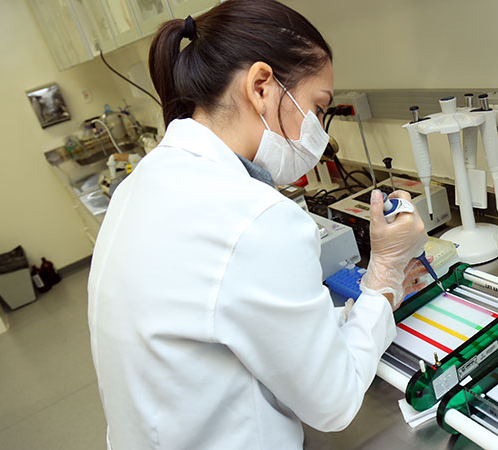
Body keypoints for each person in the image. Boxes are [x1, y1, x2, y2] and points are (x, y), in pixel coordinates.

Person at [87, 1, 429, 449]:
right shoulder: (253, 217)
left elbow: (229, 321)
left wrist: (355, 310)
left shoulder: (143, 184)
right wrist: (383, 273)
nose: (319, 132)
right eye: (317, 107)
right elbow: (334, 401)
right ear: (262, 86)